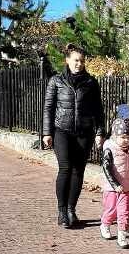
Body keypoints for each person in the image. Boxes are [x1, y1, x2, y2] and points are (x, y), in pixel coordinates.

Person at [42, 43, 104, 228]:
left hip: (84, 132)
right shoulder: (56, 81)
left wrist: (100, 131)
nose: (79, 64)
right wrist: (47, 132)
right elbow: (48, 108)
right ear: (67, 60)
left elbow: (98, 110)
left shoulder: (91, 83)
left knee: (78, 170)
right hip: (61, 130)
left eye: (82, 61)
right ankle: (62, 211)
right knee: (65, 168)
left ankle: (71, 209)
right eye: (76, 60)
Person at [100, 118, 129, 248]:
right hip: (111, 188)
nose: (126, 140)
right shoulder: (109, 149)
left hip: (127, 186)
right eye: (122, 137)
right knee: (111, 210)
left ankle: (122, 235)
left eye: (128, 137)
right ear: (115, 136)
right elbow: (106, 168)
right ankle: (105, 224)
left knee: (124, 212)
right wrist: (115, 185)